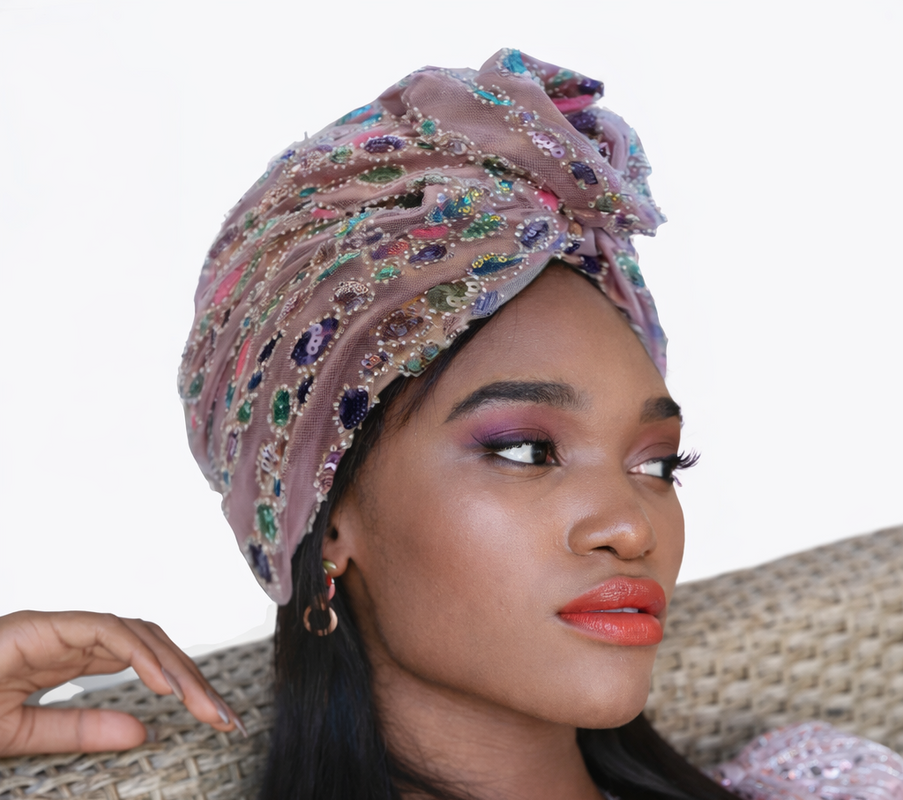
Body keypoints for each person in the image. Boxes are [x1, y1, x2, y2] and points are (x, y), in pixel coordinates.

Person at [1, 49, 900, 800]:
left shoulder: (818, 782)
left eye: (658, 464)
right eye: (524, 449)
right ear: (327, 516)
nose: (632, 526)